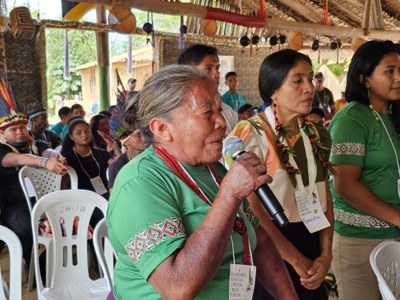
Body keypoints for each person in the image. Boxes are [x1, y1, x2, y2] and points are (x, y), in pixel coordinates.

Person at [107, 65, 298, 299]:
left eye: (219, 109)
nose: (222, 122)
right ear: (162, 128)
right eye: (207, 113)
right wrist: (229, 195)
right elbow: (177, 288)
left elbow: (259, 240)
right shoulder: (139, 184)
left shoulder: (213, 169)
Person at [227, 49, 333, 299]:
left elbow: (325, 197)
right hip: (272, 248)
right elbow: (252, 209)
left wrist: (326, 254)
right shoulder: (250, 134)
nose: (309, 88)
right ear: (273, 91)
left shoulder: (316, 134)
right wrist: (296, 260)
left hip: (313, 240)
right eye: (298, 81)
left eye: (310, 79)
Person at [328, 40, 400, 300]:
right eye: (389, 71)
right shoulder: (352, 118)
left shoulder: (392, 115)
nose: (398, 78)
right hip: (360, 243)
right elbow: (345, 184)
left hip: (395, 237)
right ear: (365, 78)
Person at [0, 81, 67, 270]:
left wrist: (56, 157)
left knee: (66, 222)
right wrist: (45, 163)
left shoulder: (35, 143)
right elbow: (17, 160)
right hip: (13, 205)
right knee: (24, 228)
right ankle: (32, 267)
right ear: (2, 133)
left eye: (22, 127)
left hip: (41, 200)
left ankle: (50, 266)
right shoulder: (3, 149)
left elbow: (47, 151)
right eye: (13, 129)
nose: (20, 131)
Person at [177, 44, 238, 135]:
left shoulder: (229, 112)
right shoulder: (177, 113)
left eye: (217, 68)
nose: (216, 74)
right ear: (189, 72)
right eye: (209, 68)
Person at [61, 118, 112, 200]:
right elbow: (65, 185)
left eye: (87, 131)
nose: (84, 135)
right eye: (79, 133)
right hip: (81, 200)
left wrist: (115, 146)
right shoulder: (66, 158)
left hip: (106, 196)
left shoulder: (102, 153)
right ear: (71, 136)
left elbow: (117, 167)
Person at [108, 96, 143, 192]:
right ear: (125, 141)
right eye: (139, 134)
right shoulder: (117, 166)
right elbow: (116, 200)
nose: (146, 138)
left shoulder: (156, 159)